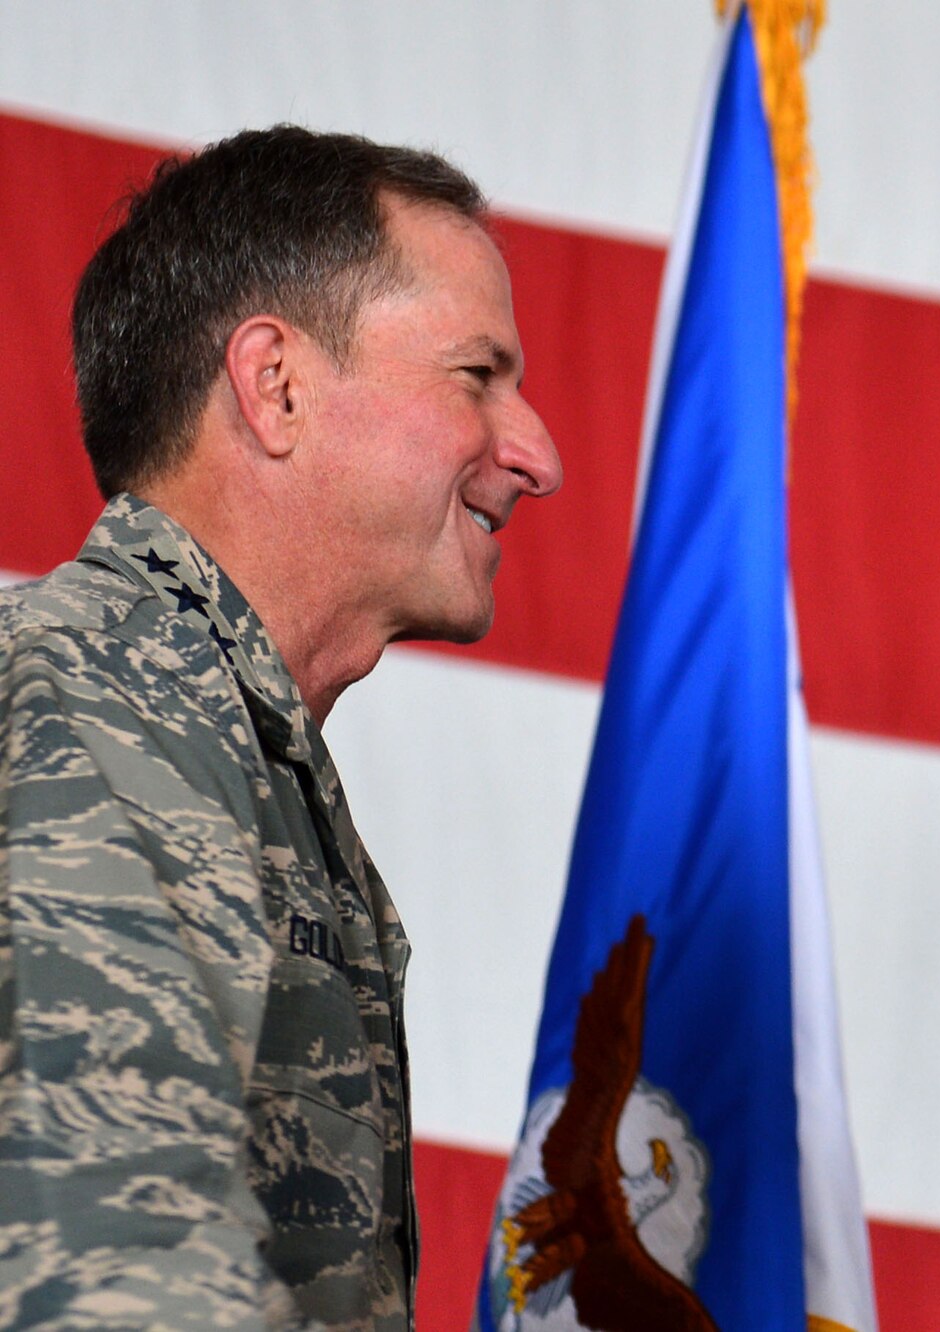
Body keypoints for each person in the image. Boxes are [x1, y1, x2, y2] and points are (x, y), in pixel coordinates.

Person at [0, 125, 560, 1329]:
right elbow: (112, 1271)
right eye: (476, 376)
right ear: (276, 385)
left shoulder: (214, 730)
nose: (536, 454)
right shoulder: (101, 693)